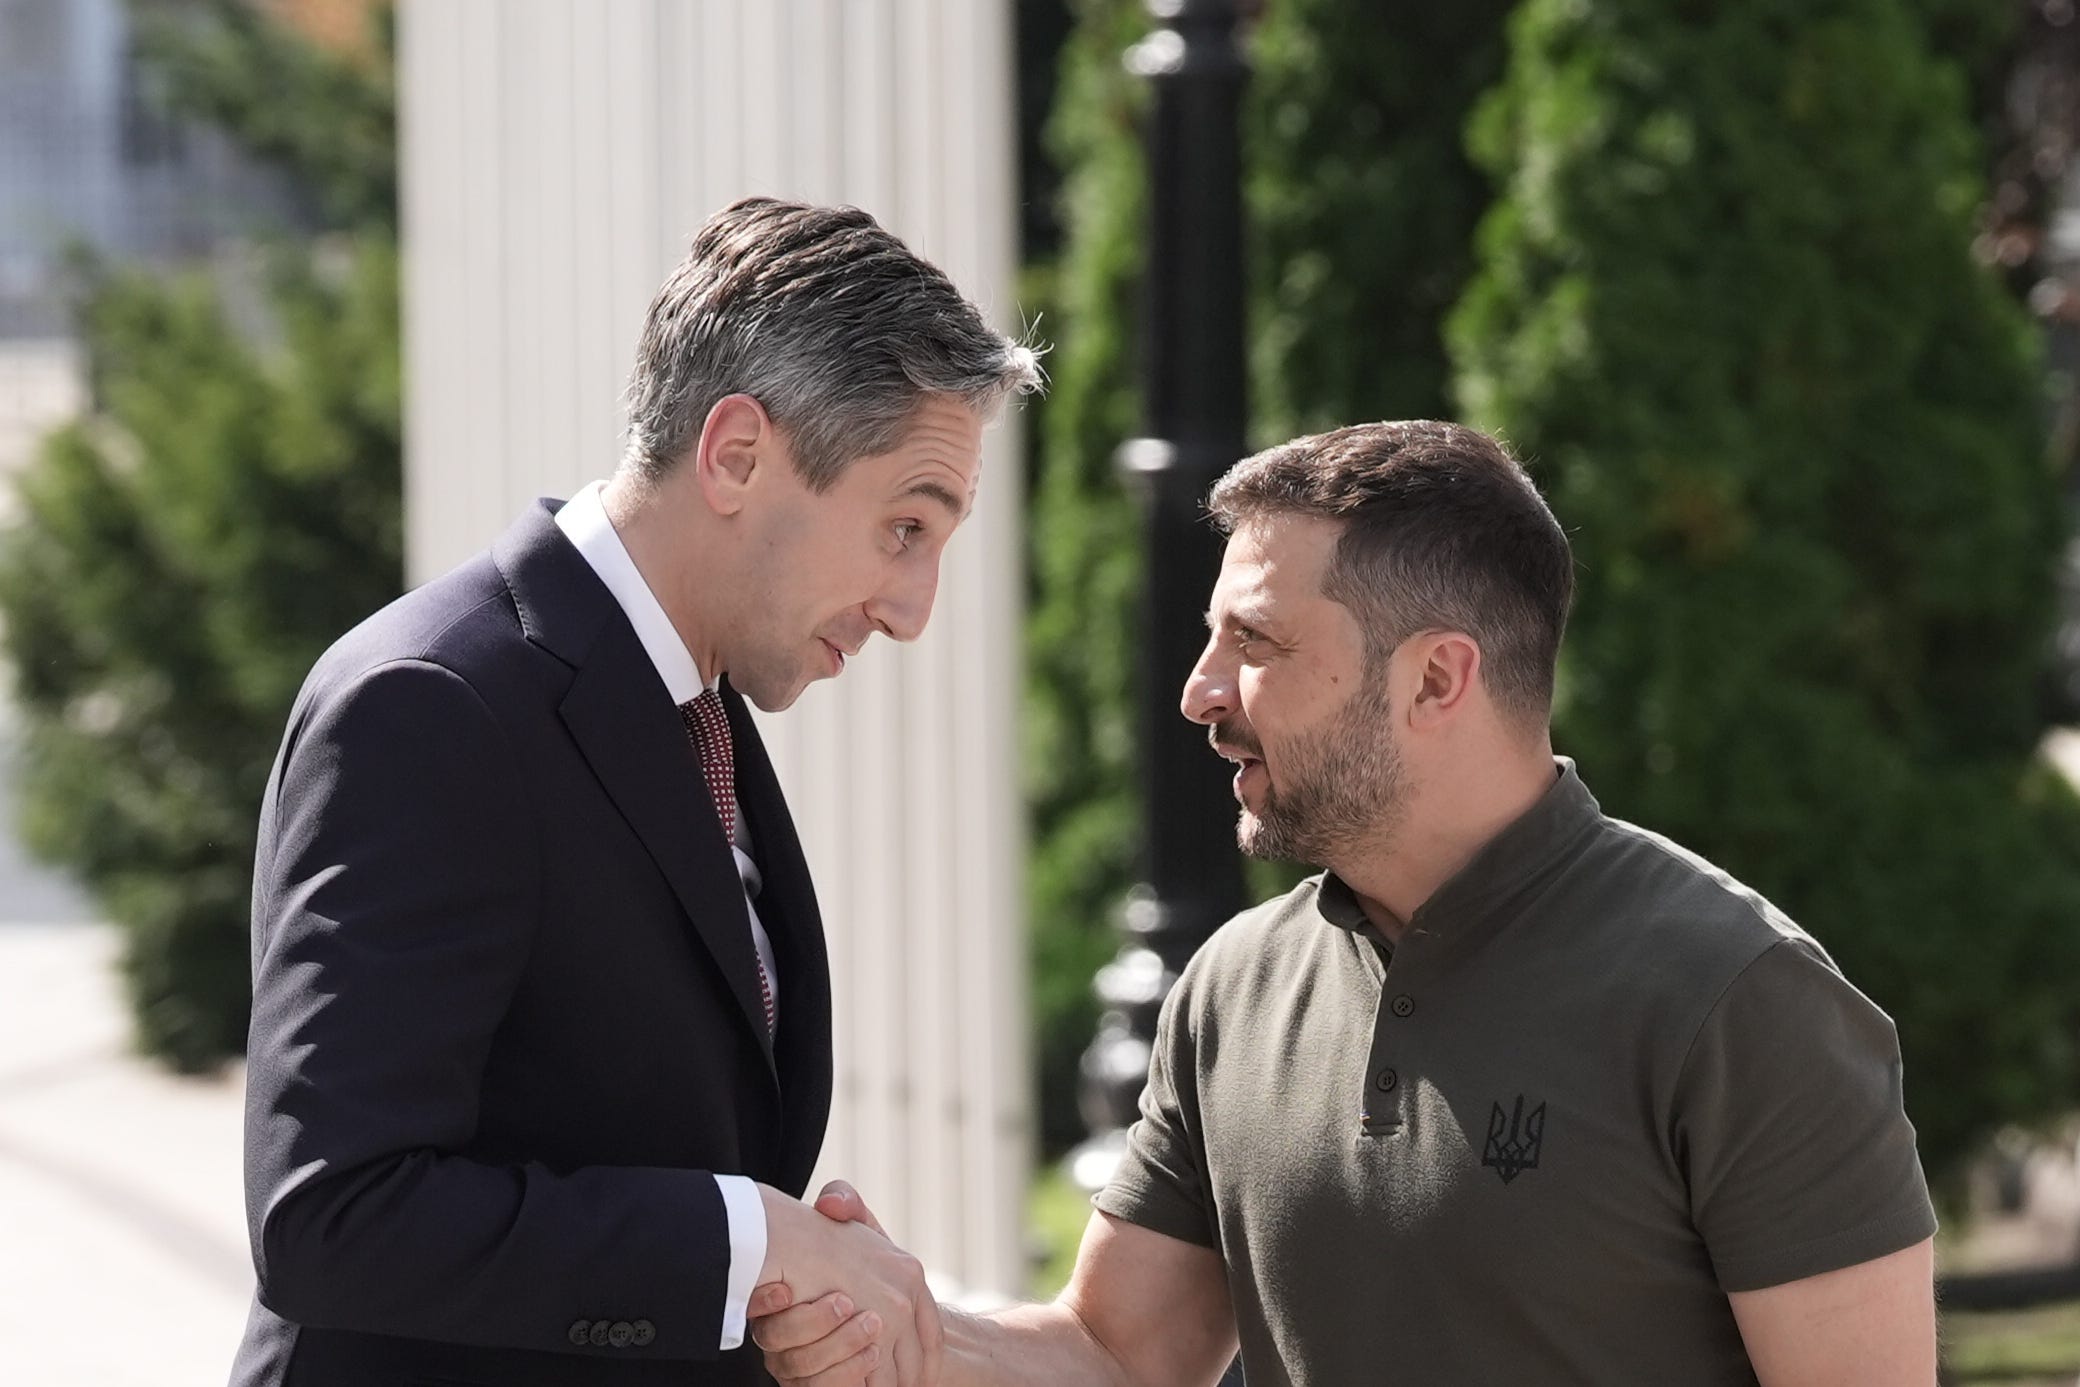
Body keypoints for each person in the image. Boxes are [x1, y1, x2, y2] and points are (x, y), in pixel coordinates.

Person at [753, 420, 1938, 1386]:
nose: (1198, 690)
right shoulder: (1231, 988)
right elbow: (1118, 1352)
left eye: (1253, 641)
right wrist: (892, 1322)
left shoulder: (1738, 998)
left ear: (1436, 677)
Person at [231, 196, 1041, 1387]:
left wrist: (780, 1284)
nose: (912, 607)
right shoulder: (430, 705)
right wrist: (748, 1240)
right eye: (902, 527)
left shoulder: (693, 705)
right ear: (736, 455)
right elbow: (332, 1214)